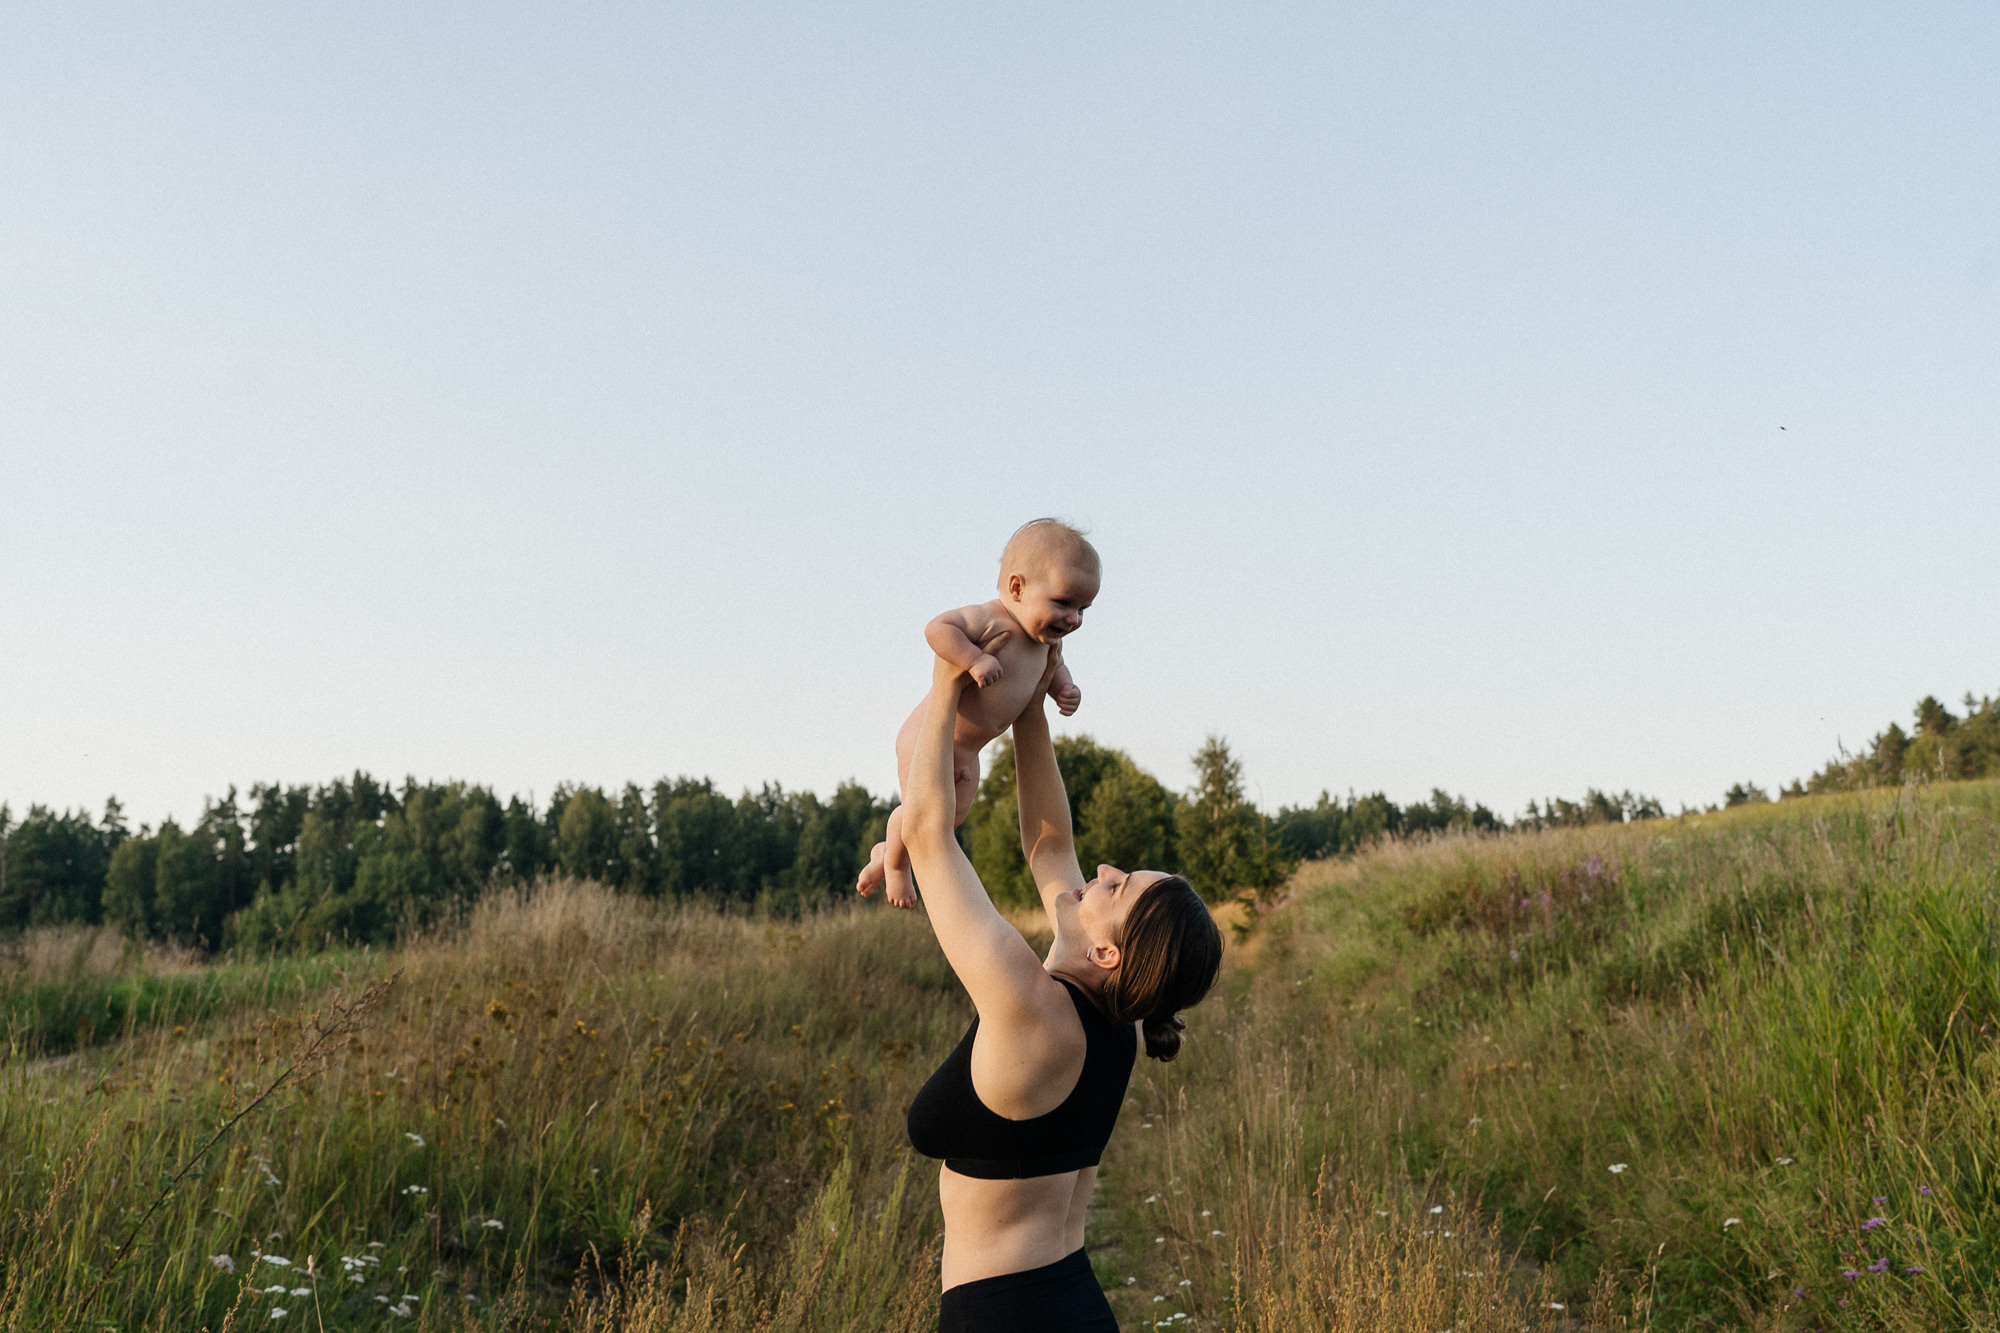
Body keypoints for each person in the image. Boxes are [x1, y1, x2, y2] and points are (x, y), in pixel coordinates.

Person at [900, 650, 1223, 1331]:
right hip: (1061, 1302)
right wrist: (1033, 704)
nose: (1101, 868)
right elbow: (1048, 844)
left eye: (1118, 885)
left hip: (1006, 1316)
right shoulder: (1119, 1017)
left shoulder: (1036, 1011)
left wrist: (946, 675)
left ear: (1108, 951)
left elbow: (931, 835)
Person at [856, 519, 1099, 909]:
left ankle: (887, 852)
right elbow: (937, 629)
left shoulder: (1044, 643)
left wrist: (1064, 689)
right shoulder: (991, 618)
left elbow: (1055, 669)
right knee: (924, 816)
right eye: (1063, 603)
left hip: (969, 751)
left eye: (1083, 609)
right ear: (1017, 588)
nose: (1073, 619)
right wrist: (973, 659)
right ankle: (898, 867)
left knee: (949, 821)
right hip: (930, 738)